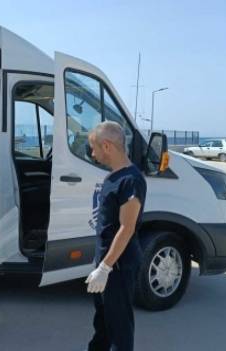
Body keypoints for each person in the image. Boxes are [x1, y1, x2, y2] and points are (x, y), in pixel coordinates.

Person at [85, 121, 147, 351]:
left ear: (107, 146)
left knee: (119, 325)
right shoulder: (113, 176)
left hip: (118, 266)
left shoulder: (131, 180)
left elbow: (127, 227)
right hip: (106, 260)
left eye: (94, 148)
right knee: (103, 319)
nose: (93, 154)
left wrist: (105, 268)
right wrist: (100, 264)